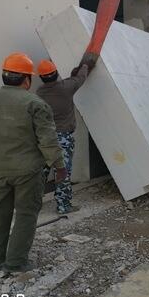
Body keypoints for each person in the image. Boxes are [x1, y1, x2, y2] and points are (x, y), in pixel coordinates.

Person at [0, 52, 67, 274]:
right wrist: (59, 165)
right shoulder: (35, 103)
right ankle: (15, 262)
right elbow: (48, 139)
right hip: (28, 172)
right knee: (25, 214)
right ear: (27, 79)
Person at [35, 58, 95, 214]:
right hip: (62, 138)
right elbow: (80, 78)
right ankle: (63, 206)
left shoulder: (39, 93)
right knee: (62, 172)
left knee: (41, 172)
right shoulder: (66, 88)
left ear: (41, 77)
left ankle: (32, 206)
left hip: (43, 139)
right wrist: (84, 66)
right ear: (55, 73)